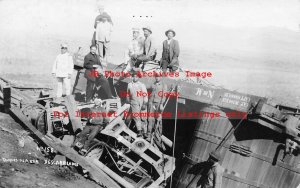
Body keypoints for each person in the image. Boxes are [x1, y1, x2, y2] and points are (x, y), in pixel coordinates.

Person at [126, 68, 148, 137]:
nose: (135, 78)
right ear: (132, 77)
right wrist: (128, 100)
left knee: (143, 117)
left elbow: (145, 95)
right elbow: (127, 94)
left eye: (136, 76)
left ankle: (145, 132)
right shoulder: (129, 84)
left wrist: (144, 103)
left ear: (138, 77)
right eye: (133, 76)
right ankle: (139, 131)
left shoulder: (142, 85)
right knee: (136, 116)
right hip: (134, 101)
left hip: (142, 101)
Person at [147, 70, 167, 138]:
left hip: (158, 104)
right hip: (151, 103)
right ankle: (149, 134)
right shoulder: (153, 84)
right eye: (156, 76)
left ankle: (158, 134)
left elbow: (164, 96)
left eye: (158, 76)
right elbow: (149, 90)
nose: (157, 78)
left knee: (158, 119)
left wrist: (161, 104)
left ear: (161, 77)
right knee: (150, 118)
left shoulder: (164, 85)